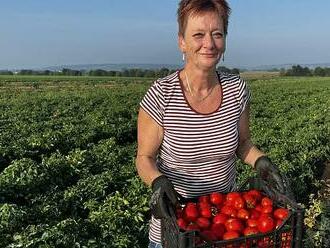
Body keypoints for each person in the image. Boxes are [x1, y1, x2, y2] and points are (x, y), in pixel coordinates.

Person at [136, 0, 289, 247]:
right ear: (181, 42)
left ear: (225, 40)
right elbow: (144, 157)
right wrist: (157, 181)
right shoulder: (162, 94)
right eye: (198, 35)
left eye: (217, 34)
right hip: (179, 224)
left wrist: (261, 161)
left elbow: (243, 143)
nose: (209, 43)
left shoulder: (237, 89)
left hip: (223, 219)